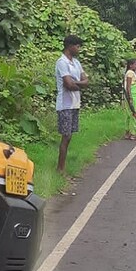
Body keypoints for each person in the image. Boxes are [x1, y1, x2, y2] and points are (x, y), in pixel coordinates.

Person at [55, 35, 88, 173]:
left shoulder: (76, 62)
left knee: (70, 136)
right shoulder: (62, 62)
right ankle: (60, 168)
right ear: (70, 46)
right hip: (65, 104)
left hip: (75, 103)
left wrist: (76, 84)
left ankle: (62, 166)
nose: (79, 49)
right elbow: (68, 84)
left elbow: (86, 80)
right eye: (77, 46)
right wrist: (79, 84)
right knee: (66, 136)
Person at [123, 59, 136, 139]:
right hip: (133, 94)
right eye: (135, 64)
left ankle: (127, 132)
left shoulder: (130, 73)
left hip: (131, 94)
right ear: (131, 65)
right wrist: (130, 96)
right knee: (134, 113)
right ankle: (134, 133)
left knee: (128, 113)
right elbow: (128, 86)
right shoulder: (130, 73)